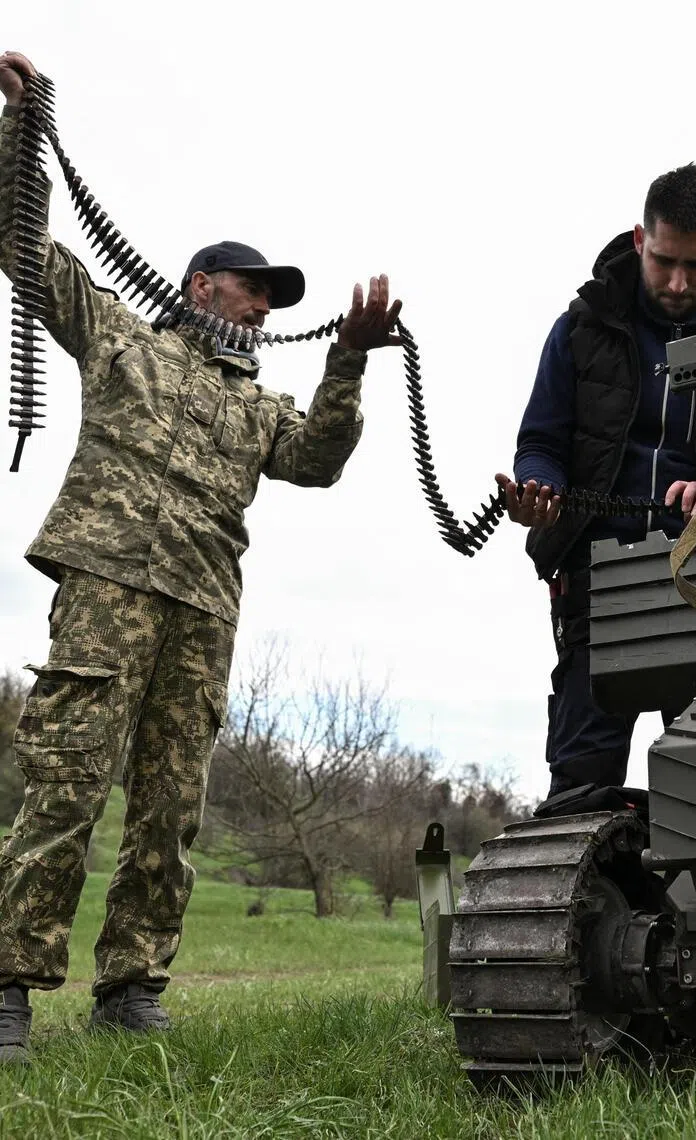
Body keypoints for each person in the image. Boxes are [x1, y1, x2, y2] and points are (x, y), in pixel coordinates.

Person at [0, 51, 403, 1064]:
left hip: (202, 611)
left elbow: (317, 460)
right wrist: (24, 124)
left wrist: (348, 355)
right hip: (107, 587)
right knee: (67, 785)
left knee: (172, 807)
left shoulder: (258, 403)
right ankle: (8, 986)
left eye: (274, 296)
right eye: (251, 288)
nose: (265, 306)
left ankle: (131, 987)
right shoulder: (124, 339)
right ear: (200, 286)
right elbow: (26, 252)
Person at [495, 163, 696, 801]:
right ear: (640, 239)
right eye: (664, 260)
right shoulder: (580, 329)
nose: (676, 281)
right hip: (596, 576)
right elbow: (541, 443)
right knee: (580, 780)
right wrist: (540, 489)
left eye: (695, 266)